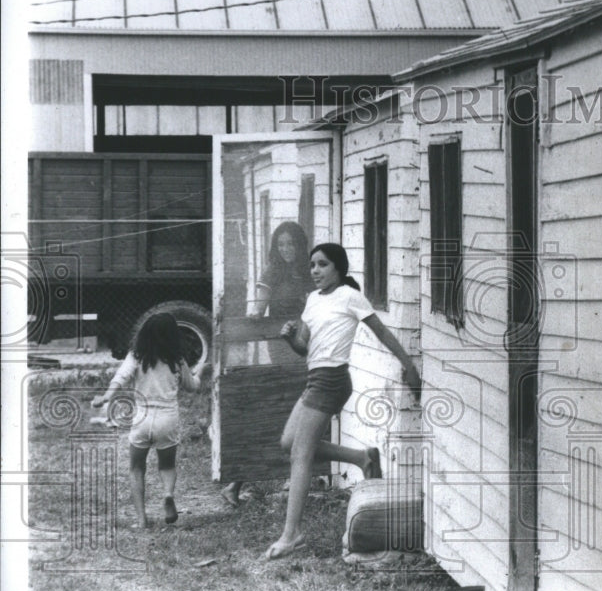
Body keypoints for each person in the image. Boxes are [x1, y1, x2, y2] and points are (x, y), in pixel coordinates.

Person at [264, 242, 421, 560]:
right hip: (315, 379)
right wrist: (289, 337)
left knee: (300, 454)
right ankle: (362, 458)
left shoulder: (350, 296)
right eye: (312, 265)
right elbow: (304, 348)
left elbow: (382, 333)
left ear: (338, 267)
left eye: (322, 265)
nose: (315, 271)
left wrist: (408, 365)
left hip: (332, 380)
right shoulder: (311, 301)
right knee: (289, 442)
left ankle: (291, 534)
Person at [222, 220, 313, 507]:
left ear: (300, 246)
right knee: (286, 409)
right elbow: (258, 310)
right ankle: (240, 480)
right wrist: (255, 313)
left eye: (292, 244)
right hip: (283, 345)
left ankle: (294, 475)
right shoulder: (272, 272)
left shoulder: (309, 271)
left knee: (301, 411)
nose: (287, 249)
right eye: (282, 244)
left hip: (310, 344)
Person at [92, 313, 210, 528]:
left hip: (142, 418)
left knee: (136, 468)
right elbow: (192, 387)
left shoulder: (137, 355)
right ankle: (167, 494)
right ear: (174, 335)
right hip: (167, 419)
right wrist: (199, 371)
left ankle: (141, 520)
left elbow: (121, 376)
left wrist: (107, 396)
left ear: (144, 333)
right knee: (166, 465)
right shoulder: (177, 359)